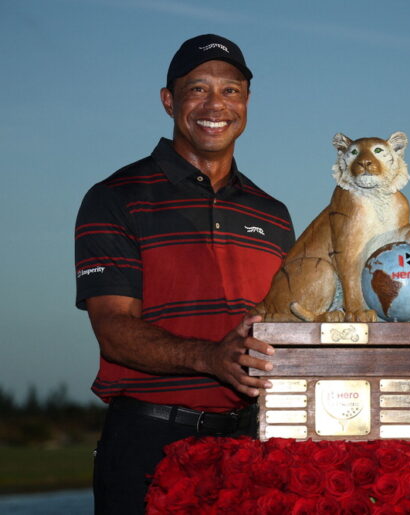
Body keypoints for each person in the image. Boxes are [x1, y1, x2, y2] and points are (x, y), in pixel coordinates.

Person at [74, 34, 295, 513]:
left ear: (247, 103)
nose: (216, 104)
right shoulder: (115, 197)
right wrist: (211, 358)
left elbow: (293, 327)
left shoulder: (273, 214)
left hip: (251, 443)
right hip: (149, 443)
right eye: (197, 89)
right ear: (169, 101)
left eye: (231, 90)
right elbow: (113, 330)